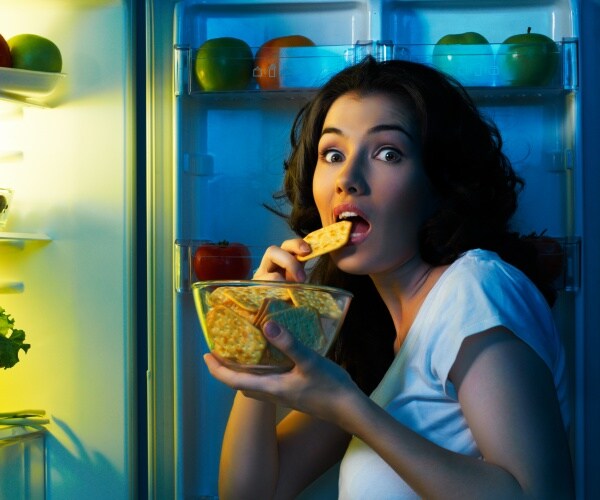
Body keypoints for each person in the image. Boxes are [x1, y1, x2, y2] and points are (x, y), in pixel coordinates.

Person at [203, 56, 575, 499]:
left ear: (439, 182)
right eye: (332, 154)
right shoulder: (373, 333)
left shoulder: (476, 289)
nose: (348, 179)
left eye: (387, 153)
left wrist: (350, 408)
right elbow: (252, 494)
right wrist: (259, 346)